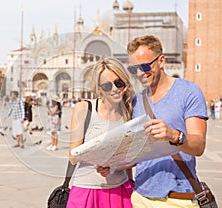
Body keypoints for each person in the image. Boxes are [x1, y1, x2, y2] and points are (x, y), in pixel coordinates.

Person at [127, 35, 208, 207]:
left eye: (144, 66)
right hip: (140, 197)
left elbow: (199, 145)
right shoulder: (136, 100)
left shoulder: (189, 92)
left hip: (178, 199)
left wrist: (174, 134)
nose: (140, 73)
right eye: (134, 69)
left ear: (161, 60)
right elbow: (137, 153)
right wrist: (111, 165)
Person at [67, 57, 134, 208]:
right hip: (87, 190)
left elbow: (132, 157)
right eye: (106, 86)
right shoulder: (84, 109)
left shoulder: (129, 112)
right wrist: (96, 145)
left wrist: (114, 165)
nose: (115, 89)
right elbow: (72, 157)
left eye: (119, 83)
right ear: (99, 89)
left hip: (121, 190)